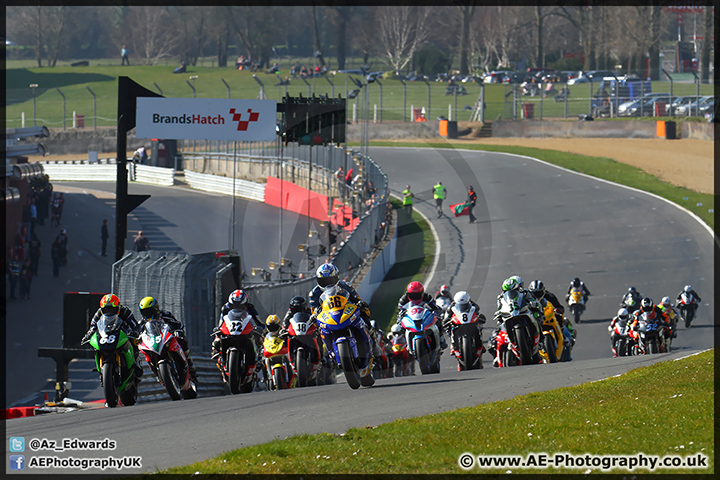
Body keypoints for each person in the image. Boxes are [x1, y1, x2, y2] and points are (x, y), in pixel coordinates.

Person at [309, 263, 381, 357]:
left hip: (346, 311)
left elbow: (356, 298)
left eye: (330, 280)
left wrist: (359, 303)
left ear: (337, 278)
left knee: (364, 314)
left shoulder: (344, 285)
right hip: (328, 317)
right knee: (317, 329)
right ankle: (325, 354)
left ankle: (374, 342)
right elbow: (313, 310)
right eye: (324, 281)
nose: (327, 284)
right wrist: (314, 315)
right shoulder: (314, 293)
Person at [82, 294, 143, 377]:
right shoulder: (99, 312)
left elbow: (135, 325)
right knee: (95, 344)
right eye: (107, 309)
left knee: (135, 341)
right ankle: (100, 367)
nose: (109, 312)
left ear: (118, 307)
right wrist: (88, 335)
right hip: (106, 333)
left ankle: (136, 361)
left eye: (112, 309)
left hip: (122, 332)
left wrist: (135, 332)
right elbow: (93, 326)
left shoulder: (125, 311)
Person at [138, 296, 197, 382]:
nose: (148, 314)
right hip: (153, 344)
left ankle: (189, 363)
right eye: (145, 312)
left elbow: (177, 324)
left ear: (156, 308)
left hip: (167, 339)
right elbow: (138, 333)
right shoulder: (142, 323)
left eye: (150, 311)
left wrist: (178, 330)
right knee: (146, 354)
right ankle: (157, 373)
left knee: (182, 340)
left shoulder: (165, 315)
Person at [211, 289, 265, 361]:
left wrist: (260, 328)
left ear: (245, 303)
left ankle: (259, 355)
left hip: (245, 328)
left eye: (240, 306)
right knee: (218, 336)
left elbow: (259, 321)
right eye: (234, 305)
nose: (237, 308)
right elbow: (221, 322)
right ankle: (216, 351)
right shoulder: (225, 308)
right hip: (230, 328)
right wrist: (218, 329)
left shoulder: (250, 307)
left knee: (258, 336)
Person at [396, 281, 448, 350]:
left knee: (438, 321)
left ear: (422, 293)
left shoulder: (427, 297)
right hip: (411, 317)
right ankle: (408, 343)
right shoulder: (403, 300)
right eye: (412, 295)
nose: (415, 298)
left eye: (417, 295)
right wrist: (400, 319)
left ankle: (441, 340)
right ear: (408, 294)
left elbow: (435, 307)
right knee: (401, 327)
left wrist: (437, 312)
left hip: (424, 315)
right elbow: (400, 312)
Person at [442, 291, 486, 366]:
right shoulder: (451, 307)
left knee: (479, 328)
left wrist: (479, 318)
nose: (463, 307)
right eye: (461, 305)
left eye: (465, 305)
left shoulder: (474, 305)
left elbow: (480, 314)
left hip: (471, 324)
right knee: (449, 329)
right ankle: (453, 345)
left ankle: (480, 344)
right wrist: (446, 321)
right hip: (458, 324)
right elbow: (446, 318)